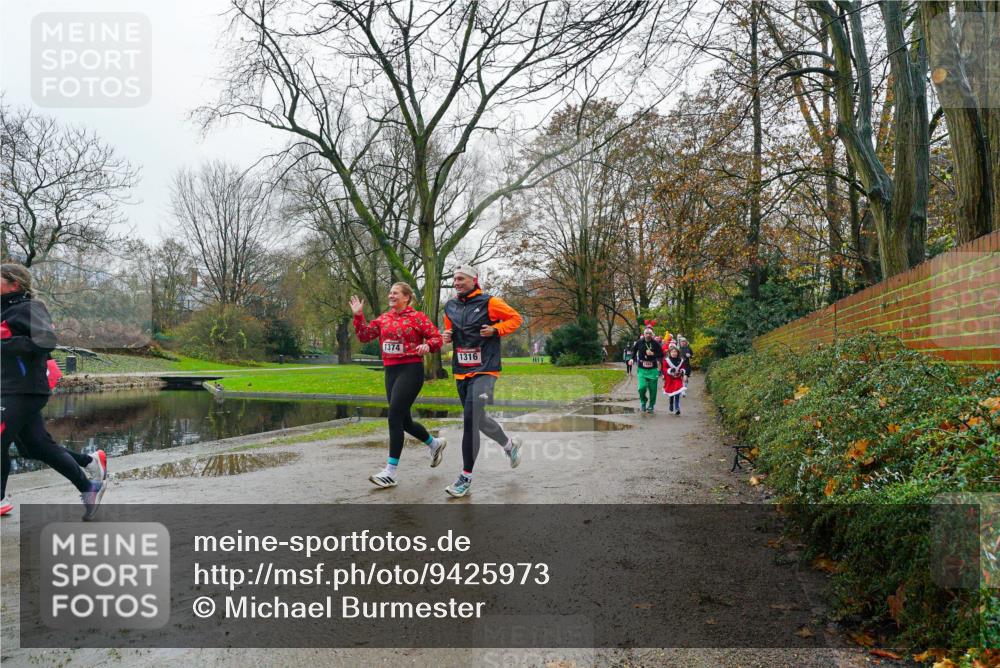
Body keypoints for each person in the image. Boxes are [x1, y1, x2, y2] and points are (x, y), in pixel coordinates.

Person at [1, 264, 107, 519]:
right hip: (8, 388)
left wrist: (6, 343)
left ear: (14, 284)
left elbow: (46, 341)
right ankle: (89, 484)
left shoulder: (30, 308)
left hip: (24, 389)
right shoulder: (4, 311)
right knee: (35, 447)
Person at [351, 283, 446, 489]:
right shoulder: (384, 318)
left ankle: (390, 472)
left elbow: (437, 338)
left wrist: (427, 345)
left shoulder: (417, 317)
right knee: (404, 422)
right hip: (391, 371)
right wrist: (359, 316)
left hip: (411, 370)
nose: (391, 295)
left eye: (395, 293)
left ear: (406, 298)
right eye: (390, 292)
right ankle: (435, 444)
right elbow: (364, 335)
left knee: (394, 416)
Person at [441, 264, 523, 498]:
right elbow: (448, 333)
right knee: (477, 419)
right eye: (454, 279)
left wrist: (496, 330)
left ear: (474, 280)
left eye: (461, 279)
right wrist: (445, 336)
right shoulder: (450, 306)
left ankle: (465, 478)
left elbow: (516, 319)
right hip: (461, 370)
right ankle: (510, 445)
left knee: (469, 418)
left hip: (486, 369)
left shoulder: (490, 302)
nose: (456, 283)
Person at [632, 326, 664, 413]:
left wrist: (653, 353)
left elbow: (661, 354)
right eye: (646, 333)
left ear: (652, 334)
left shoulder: (655, 343)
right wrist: (632, 359)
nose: (648, 335)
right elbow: (634, 351)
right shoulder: (639, 342)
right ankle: (643, 401)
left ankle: (651, 405)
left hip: (653, 369)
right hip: (642, 369)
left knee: (653, 389)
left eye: (650, 333)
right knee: (641, 388)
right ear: (644, 334)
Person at [662, 344, 690, 415]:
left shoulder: (681, 360)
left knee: (677, 392)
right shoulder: (667, 360)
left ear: (678, 353)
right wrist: (670, 370)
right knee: (671, 393)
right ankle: (671, 403)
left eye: (675, 352)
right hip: (669, 379)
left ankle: (677, 408)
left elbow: (684, 367)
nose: (674, 353)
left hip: (677, 378)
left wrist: (682, 371)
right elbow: (664, 368)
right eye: (672, 352)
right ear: (669, 353)